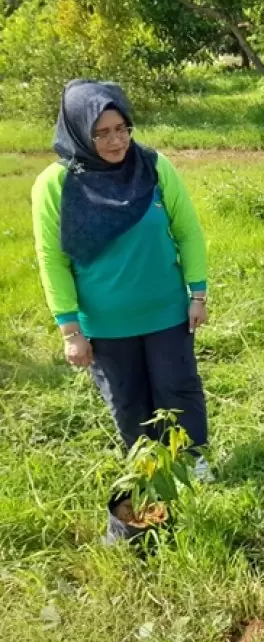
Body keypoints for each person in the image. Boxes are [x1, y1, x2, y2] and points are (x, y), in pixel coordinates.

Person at [32, 80, 212, 477]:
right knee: (128, 400)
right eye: (102, 133)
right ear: (78, 131)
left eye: (122, 129)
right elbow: (52, 260)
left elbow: (188, 232)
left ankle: (193, 459)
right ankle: (150, 470)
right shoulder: (56, 185)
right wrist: (70, 330)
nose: (116, 142)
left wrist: (197, 294)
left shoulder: (152, 166)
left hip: (166, 311)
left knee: (178, 389)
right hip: (106, 322)